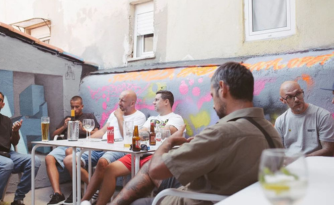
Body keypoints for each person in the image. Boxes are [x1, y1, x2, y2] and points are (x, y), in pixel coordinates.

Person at [110, 62, 283, 205]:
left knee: (144, 184)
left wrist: (168, 143)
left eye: (212, 95)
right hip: (234, 194)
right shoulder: (270, 131)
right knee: (148, 167)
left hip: (201, 200)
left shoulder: (223, 132)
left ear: (222, 88)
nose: (214, 104)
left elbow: (157, 171)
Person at [91, 90, 185, 205]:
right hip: (140, 154)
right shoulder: (151, 119)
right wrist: (150, 133)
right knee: (110, 169)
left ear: (166, 102)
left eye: (156, 100)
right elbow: (138, 135)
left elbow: (169, 131)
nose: (153, 103)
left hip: (157, 157)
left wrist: (147, 133)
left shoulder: (176, 118)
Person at [63, 90, 146, 204]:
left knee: (102, 162)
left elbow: (128, 138)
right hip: (102, 146)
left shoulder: (139, 116)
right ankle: (96, 188)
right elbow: (102, 131)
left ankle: (84, 200)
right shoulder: (114, 113)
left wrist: (120, 118)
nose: (119, 103)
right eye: (119, 99)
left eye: (123, 100)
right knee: (69, 160)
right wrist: (87, 141)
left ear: (132, 103)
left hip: (119, 149)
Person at [0, 90, 41, 205]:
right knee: (6, 163)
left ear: (2, 104)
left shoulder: (6, 120)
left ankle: (18, 199)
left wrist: (15, 132)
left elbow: (14, 142)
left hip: (6, 153)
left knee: (34, 160)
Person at [46, 96, 102, 205]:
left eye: (77, 107)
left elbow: (98, 134)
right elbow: (54, 135)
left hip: (82, 146)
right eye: (72, 107)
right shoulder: (68, 117)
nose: (74, 109)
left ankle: (76, 191)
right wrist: (64, 126)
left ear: (82, 106)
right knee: (49, 158)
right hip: (67, 144)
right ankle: (58, 194)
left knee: (69, 152)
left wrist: (83, 129)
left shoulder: (88, 116)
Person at [275, 81, 334, 156]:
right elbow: (279, 152)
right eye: (289, 97)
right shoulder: (280, 121)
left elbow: (329, 150)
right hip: (290, 165)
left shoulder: (323, 116)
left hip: (317, 164)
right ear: (283, 100)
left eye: (298, 93)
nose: (296, 99)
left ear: (302, 92)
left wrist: (302, 160)